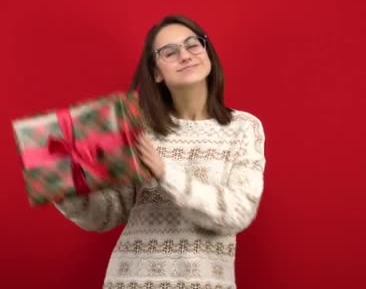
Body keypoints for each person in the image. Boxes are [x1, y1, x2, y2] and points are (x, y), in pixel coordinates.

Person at [55, 14, 266, 289]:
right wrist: (65, 182)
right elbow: (106, 214)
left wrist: (165, 172)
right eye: (170, 51)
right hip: (130, 280)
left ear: (207, 53)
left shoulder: (244, 128)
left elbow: (237, 213)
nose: (185, 55)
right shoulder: (137, 125)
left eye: (193, 45)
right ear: (156, 72)